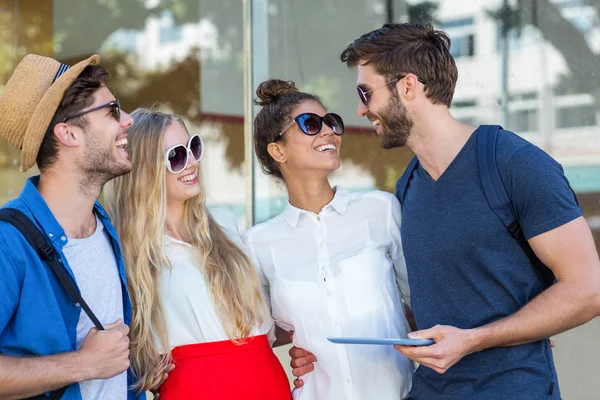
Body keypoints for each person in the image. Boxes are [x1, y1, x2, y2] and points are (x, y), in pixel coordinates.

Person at [291, 23, 600, 399]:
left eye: (365, 92)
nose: (360, 109)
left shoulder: (512, 164)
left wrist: (475, 339)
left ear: (408, 86)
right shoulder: (408, 186)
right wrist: (319, 349)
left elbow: (588, 290)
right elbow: (435, 305)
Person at [242, 79, 415, 400]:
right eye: (311, 124)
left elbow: (421, 303)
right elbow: (260, 336)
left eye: (332, 123)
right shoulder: (257, 244)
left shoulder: (380, 210)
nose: (330, 132)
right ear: (277, 150)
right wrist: (292, 350)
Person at [104, 108, 291, 399]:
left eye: (194, 147)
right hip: (195, 387)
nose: (192, 162)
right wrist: (142, 369)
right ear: (145, 170)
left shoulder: (224, 223)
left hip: (265, 378)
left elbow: (264, 323)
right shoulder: (127, 249)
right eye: (176, 156)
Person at [0, 54, 144, 399]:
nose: (127, 121)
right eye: (112, 110)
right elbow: (96, 362)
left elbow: (112, 359)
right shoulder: (8, 242)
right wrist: (84, 364)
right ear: (68, 133)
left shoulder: (107, 228)